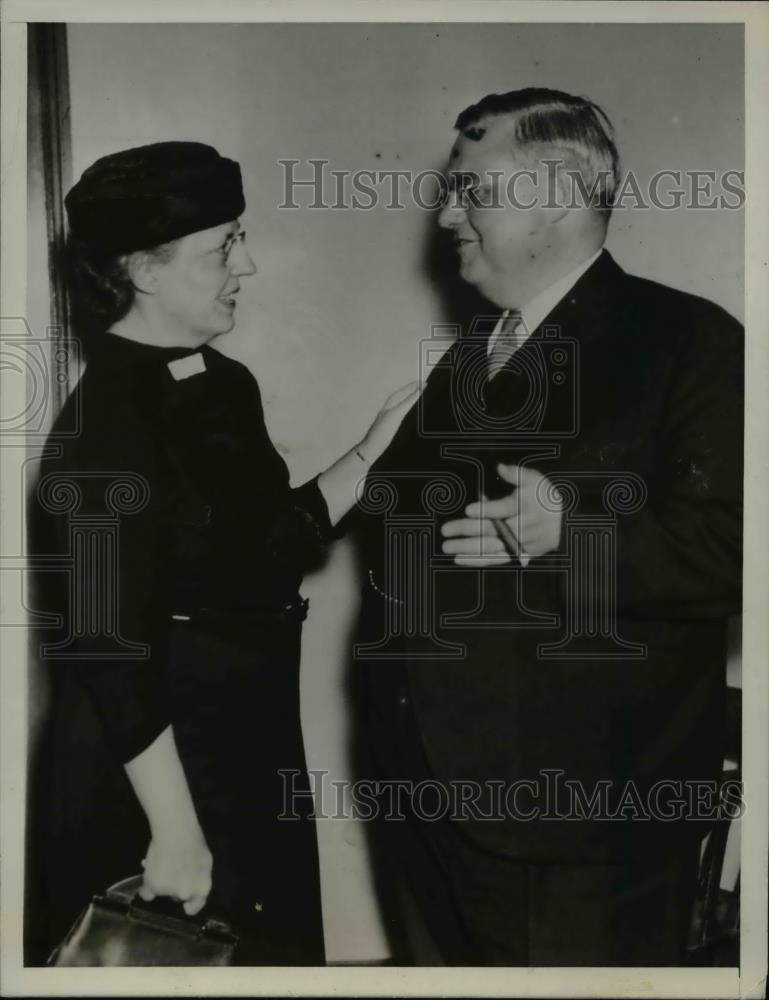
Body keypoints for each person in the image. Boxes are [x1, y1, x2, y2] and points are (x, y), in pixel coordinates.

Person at [353, 89, 743, 966]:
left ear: (559, 192)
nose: (447, 213)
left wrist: (572, 536)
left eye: (471, 191)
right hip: (425, 796)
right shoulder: (471, 356)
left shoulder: (691, 342)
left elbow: (735, 551)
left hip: (581, 827)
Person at [27, 141, 419, 966]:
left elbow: (264, 551)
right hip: (154, 767)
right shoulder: (103, 429)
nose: (249, 264)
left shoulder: (218, 381)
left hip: (240, 737)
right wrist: (173, 832)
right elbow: (108, 643)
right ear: (143, 269)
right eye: (222, 248)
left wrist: (376, 445)